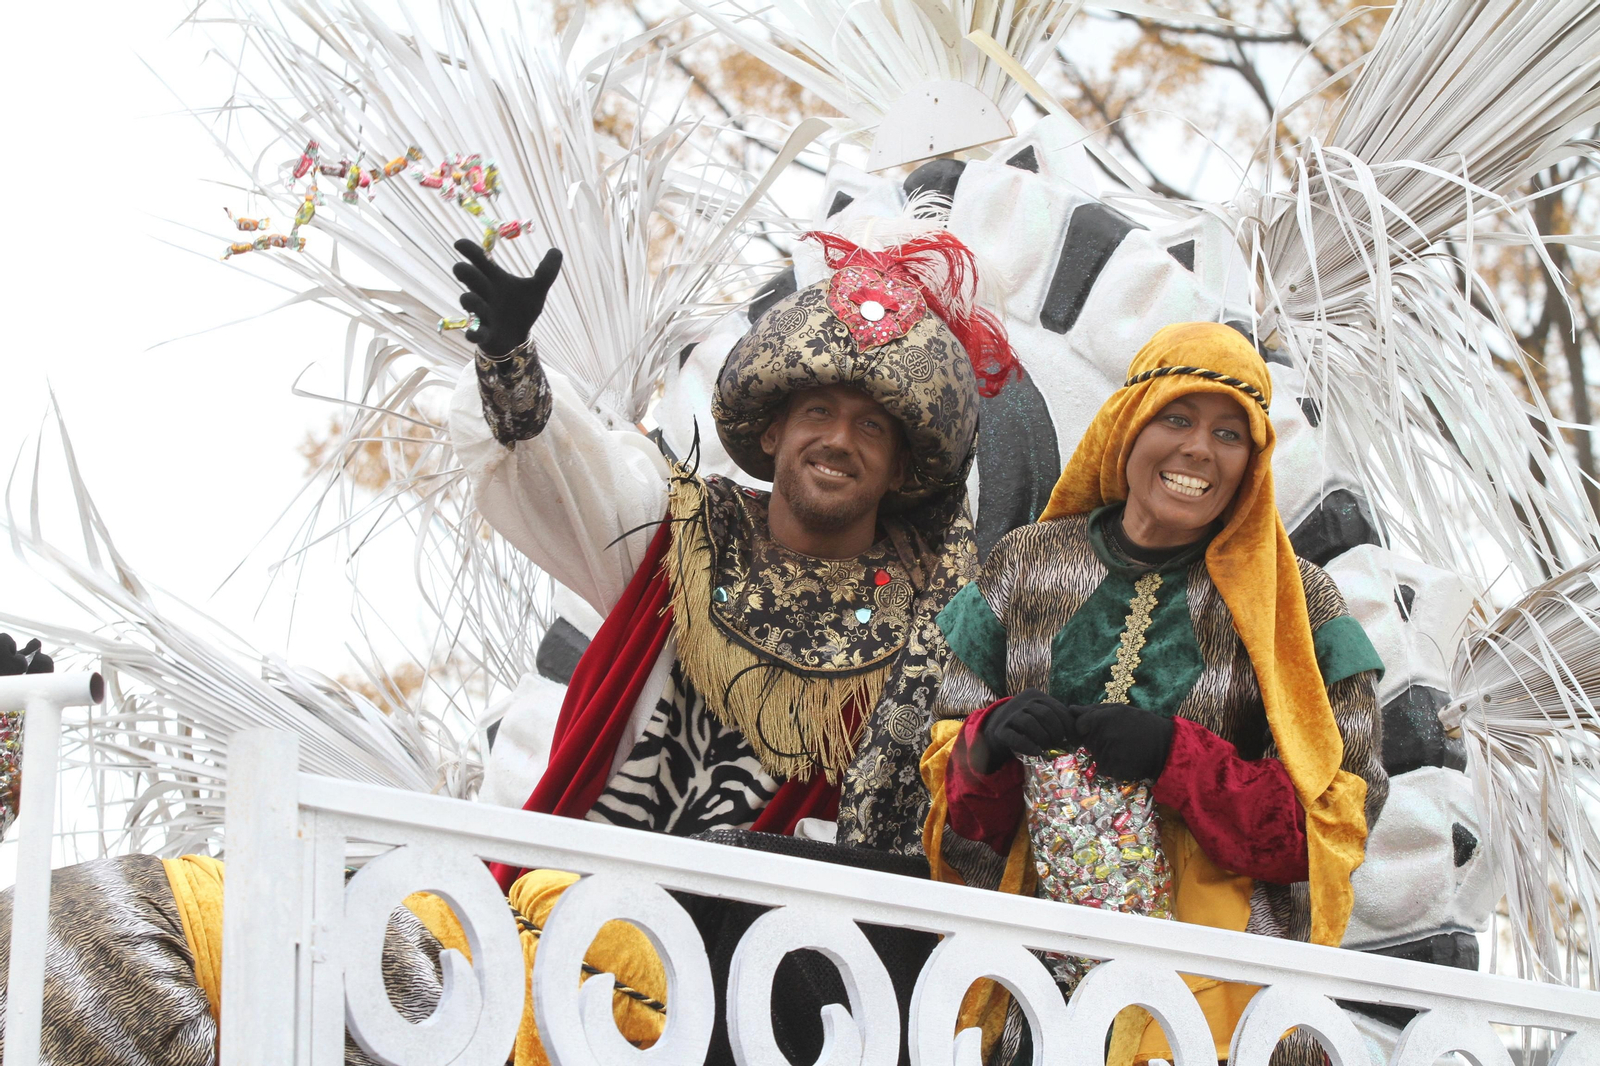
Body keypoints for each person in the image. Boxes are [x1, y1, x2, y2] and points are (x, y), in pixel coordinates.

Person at [451, 226, 1015, 868]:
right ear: (773, 432)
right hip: (565, 901)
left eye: (871, 428)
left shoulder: (925, 640)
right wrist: (508, 357)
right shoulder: (679, 533)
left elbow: (948, 821)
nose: (839, 441)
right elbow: (561, 472)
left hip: (759, 928)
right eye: (818, 412)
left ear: (898, 471)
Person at [920, 322, 1387, 1066]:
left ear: (1253, 463)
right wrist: (989, 746)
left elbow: (1338, 817)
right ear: (1126, 425)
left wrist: (1179, 758)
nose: (1199, 449)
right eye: (1177, 418)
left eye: (1230, 434)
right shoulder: (1023, 564)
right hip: (1029, 986)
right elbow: (945, 770)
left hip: (1220, 1001)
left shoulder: (1301, 606)